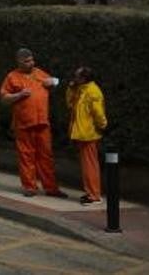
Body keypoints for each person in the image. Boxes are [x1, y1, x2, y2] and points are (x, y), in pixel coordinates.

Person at [0, 48, 67, 198]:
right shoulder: (12, 77)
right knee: (26, 156)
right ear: (19, 62)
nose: (31, 63)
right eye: (27, 61)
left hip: (42, 123)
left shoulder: (39, 73)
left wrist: (53, 81)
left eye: (32, 60)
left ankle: (51, 188)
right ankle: (30, 187)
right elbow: (4, 99)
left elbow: (54, 82)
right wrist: (19, 95)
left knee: (46, 156)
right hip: (23, 124)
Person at [67, 66, 108, 205]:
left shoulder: (92, 92)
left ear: (84, 78)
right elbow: (70, 103)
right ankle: (90, 192)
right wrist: (71, 89)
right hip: (82, 133)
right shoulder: (81, 89)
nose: (74, 78)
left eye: (77, 76)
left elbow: (98, 113)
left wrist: (102, 125)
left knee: (90, 165)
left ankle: (94, 194)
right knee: (87, 165)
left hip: (88, 134)